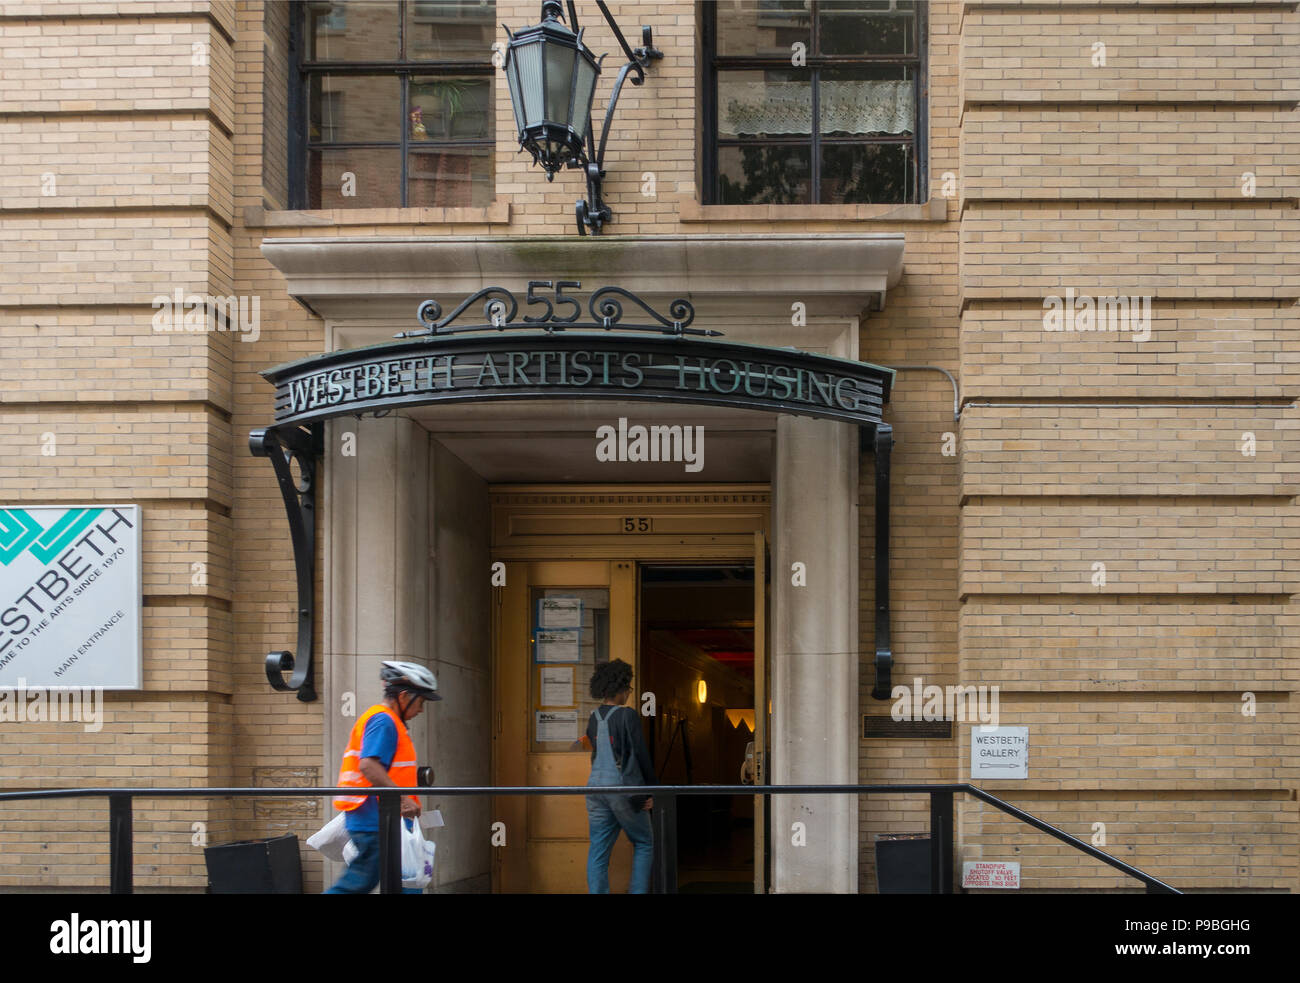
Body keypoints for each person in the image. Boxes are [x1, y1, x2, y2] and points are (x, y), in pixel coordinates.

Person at [324, 660, 439, 894]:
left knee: (407, 882)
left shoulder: (389, 722)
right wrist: (403, 798)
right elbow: (368, 765)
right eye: (422, 701)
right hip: (373, 819)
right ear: (405, 696)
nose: (421, 710)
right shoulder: (383, 721)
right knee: (358, 883)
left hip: (383, 818)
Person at [582, 658, 656, 894]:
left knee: (598, 850)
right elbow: (640, 755)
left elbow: (594, 751)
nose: (629, 694)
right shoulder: (627, 716)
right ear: (622, 688)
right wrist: (651, 790)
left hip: (595, 790)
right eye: (629, 689)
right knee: (644, 842)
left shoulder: (594, 717)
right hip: (622, 790)